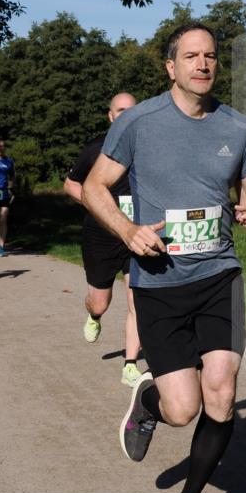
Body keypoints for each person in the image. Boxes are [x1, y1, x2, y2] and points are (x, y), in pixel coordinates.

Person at [82, 22, 246, 493]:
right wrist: (126, 229)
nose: (203, 64)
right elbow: (96, 186)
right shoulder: (139, 123)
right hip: (160, 281)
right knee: (182, 409)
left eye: (210, 55)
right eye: (191, 56)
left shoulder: (239, 128)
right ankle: (148, 404)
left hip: (218, 274)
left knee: (222, 394)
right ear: (171, 66)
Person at [64, 92, 143, 387]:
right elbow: (71, 184)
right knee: (100, 302)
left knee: (138, 299)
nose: (125, 115)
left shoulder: (149, 149)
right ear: (110, 116)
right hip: (101, 236)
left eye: (131, 111)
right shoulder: (96, 149)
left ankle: (131, 364)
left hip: (137, 235)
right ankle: (94, 316)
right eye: (120, 111)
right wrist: (97, 206)